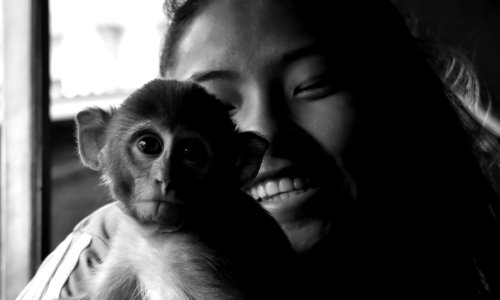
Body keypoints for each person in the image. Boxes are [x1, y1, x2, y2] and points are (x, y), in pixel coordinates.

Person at [17, 0, 500, 298]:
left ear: (394, 99)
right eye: (219, 103)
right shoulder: (102, 253)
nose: (267, 129)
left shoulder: (468, 256)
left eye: (314, 85)